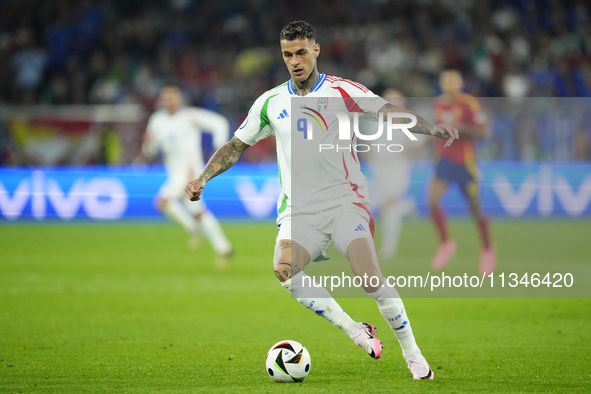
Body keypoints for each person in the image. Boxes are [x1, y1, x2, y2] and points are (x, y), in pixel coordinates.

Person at [185, 21, 458, 380]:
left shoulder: (342, 90)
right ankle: (355, 330)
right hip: (299, 211)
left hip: (346, 202)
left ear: (315, 50)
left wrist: (430, 128)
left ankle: (413, 354)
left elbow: (387, 111)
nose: (295, 60)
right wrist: (203, 177)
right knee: (284, 269)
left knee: (369, 278)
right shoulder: (270, 102)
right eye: (287, 54)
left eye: (301, 52)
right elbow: (236, 146)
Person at [143, 84, 233, 267]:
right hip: (174, 172)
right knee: (199, 212)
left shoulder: (190, 116)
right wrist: (148, 145)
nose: (169, 99)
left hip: (190, 172)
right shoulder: (157, 120)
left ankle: (193, 229)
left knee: (163, 201)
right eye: (165, 96)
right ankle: (224, 248)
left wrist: (219, 144)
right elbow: (150, 150)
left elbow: (219, 123)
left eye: (172, 96)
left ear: (180, 98)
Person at [428, 70, 495, 275]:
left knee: (475, 209)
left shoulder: (469, 103)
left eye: (453, 80)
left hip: (465, 163)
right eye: (445, 80)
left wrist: (461, 127)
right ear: (441, 83)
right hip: (444, 161)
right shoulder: (438, 103)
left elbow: (484, 132)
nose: (449, 83)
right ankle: (447, 244)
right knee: (432, 201)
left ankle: (487, 249)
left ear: (460, 82)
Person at [366, 89, 423, 259]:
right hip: (378, 167)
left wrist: (408, 150)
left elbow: (416, 146)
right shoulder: (374, 119)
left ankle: (389, 247)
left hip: (398, 166)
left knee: (389, 204)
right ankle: (407, 206)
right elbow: (368, 142)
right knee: (384, 206)